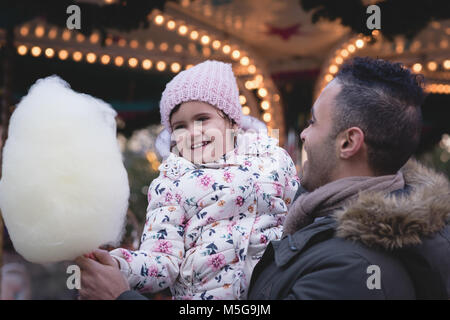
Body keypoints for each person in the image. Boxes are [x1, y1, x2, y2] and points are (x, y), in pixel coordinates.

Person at [76, 60, 299, 300]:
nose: (192, 132)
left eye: (202, 119)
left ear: (232, 121)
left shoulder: (272, 159)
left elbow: (299, 217)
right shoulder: (171, 184)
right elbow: (162, 260)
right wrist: (120, 265)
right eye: (179, 126)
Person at [247, 57, 450, 299]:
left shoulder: (349, 271)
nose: (303, 134)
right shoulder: (337, 235)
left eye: (313, 122)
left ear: (348, 142)